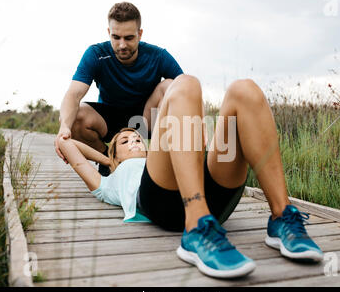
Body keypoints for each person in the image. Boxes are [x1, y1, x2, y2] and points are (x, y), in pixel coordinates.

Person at [57, 74, 324, 279]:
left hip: (212, 197)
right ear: (115, 157)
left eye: (137, 138)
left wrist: (128, 152)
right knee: (185, 84)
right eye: (125, 142)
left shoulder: (157, 156)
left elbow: (173, 145)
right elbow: (71, 149)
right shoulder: (109, 181)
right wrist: (108, 160)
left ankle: (281, 216)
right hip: (163, 202)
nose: (136, 141)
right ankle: (196, 229)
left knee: (245, 89)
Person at [54, 2, 183, 176]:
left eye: (129, 38)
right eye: (116, 37)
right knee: (74, 117)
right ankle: (110, 161)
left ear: (140, 34)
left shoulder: (158, 56)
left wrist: (199, 124)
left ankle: (156, 164)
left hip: (144, 122)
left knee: (170, 86)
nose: (122, 45)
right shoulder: (96, 54)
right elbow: (73, 94)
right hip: (109, 122)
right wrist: (64, 129)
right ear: (109, 33)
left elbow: (186, 90)